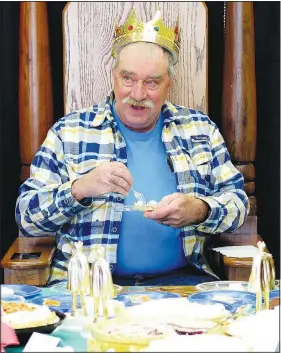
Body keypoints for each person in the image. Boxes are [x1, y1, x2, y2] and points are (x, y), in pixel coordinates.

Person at [15, 9, 249, 287]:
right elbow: (27, 218)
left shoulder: (200, 130)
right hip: (88, 287)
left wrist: (200, 210)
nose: (138, 94)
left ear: (168, 84)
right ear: (113, 76)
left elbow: (238, 203)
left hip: (182, 286)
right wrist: (79, 188)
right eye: (128, 78)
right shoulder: (69, 131)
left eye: (152, 82)